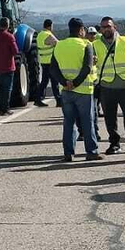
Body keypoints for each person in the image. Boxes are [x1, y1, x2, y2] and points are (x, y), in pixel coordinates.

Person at [52, 18, 100, 162]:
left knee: (68, 122)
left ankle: (68, 153)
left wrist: (65, 83)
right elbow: (87, 67)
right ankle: (91, 152)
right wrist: (76, 83)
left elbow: (53, 68)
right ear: (81, 30)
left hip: (66, 91)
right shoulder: (86, 44)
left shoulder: (59, 45)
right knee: (87, 121)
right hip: (83, 90)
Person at [95, 16, 125, 155]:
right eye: (103, 27)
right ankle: (114, 144)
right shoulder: (95, 45)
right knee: (110, 117)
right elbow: (92, 65)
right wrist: (98, 80)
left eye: (108, 26)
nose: (106, 29)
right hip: (106, 86)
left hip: (124, 86)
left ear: (114, 27)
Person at [0, 17, 20, 116]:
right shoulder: (9, 37)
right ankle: (5, 108)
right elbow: (15, 51)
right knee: (7, 89)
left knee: (1, 88)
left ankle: (1, 109)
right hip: (7, 66)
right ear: (7, 25)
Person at [32, 18, 58, 107]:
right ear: (50, 26)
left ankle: (38, 99)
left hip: (43, 61)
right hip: (51, 61)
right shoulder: (48, 35)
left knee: (44, 81)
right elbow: (58, 44)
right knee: (54, 82)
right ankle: (58, 100)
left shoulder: (39, 35)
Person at [84, 25, 103, 140]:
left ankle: (95, 132)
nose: (92, 36)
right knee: (90, 111)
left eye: (94, 34)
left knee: (94, 110)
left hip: (96, 81)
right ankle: (87, 132)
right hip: (86, 83)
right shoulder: (84, 45)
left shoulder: (98, 45)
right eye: (90, 34)